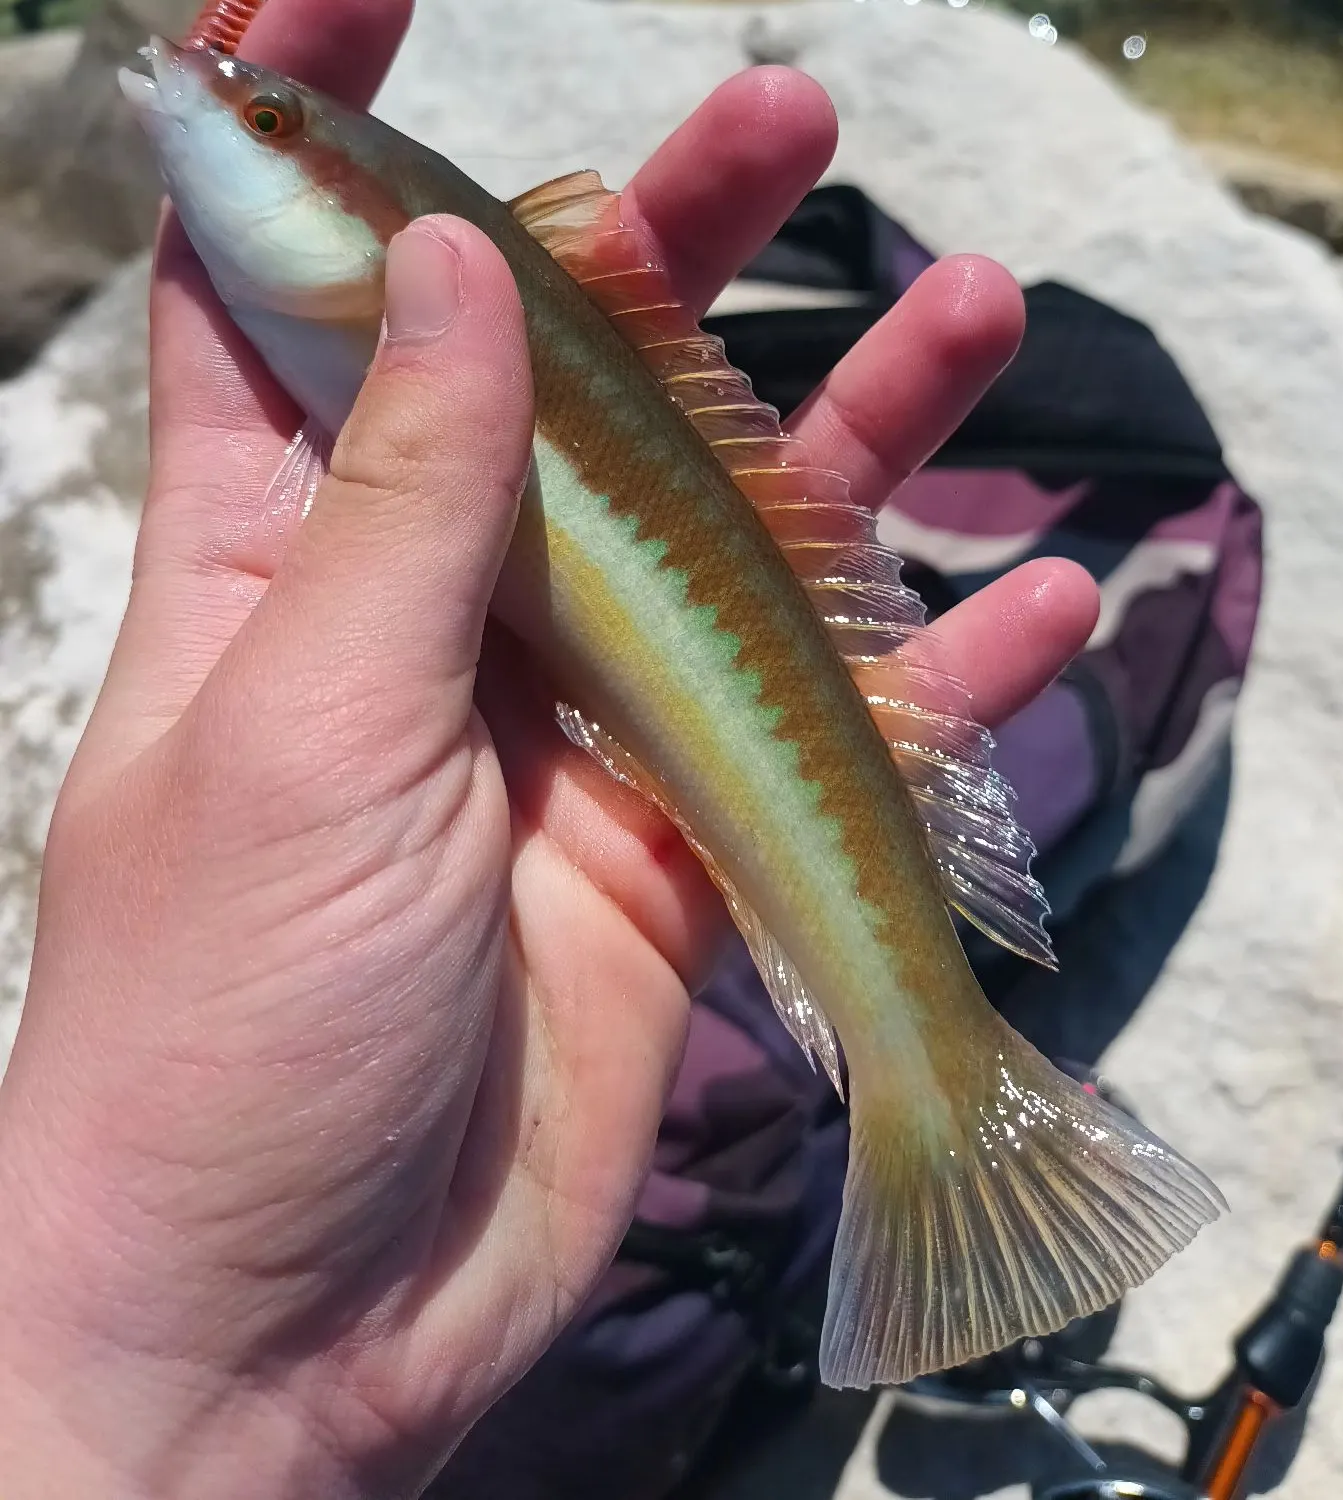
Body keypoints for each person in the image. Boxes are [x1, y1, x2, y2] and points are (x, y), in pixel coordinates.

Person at [0, 0, 1102, 1494]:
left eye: (268, 127)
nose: (222, 111)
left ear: (400, 257)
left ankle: (938, 1079)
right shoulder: (361, 298)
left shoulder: (414, 330)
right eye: (266, 121)